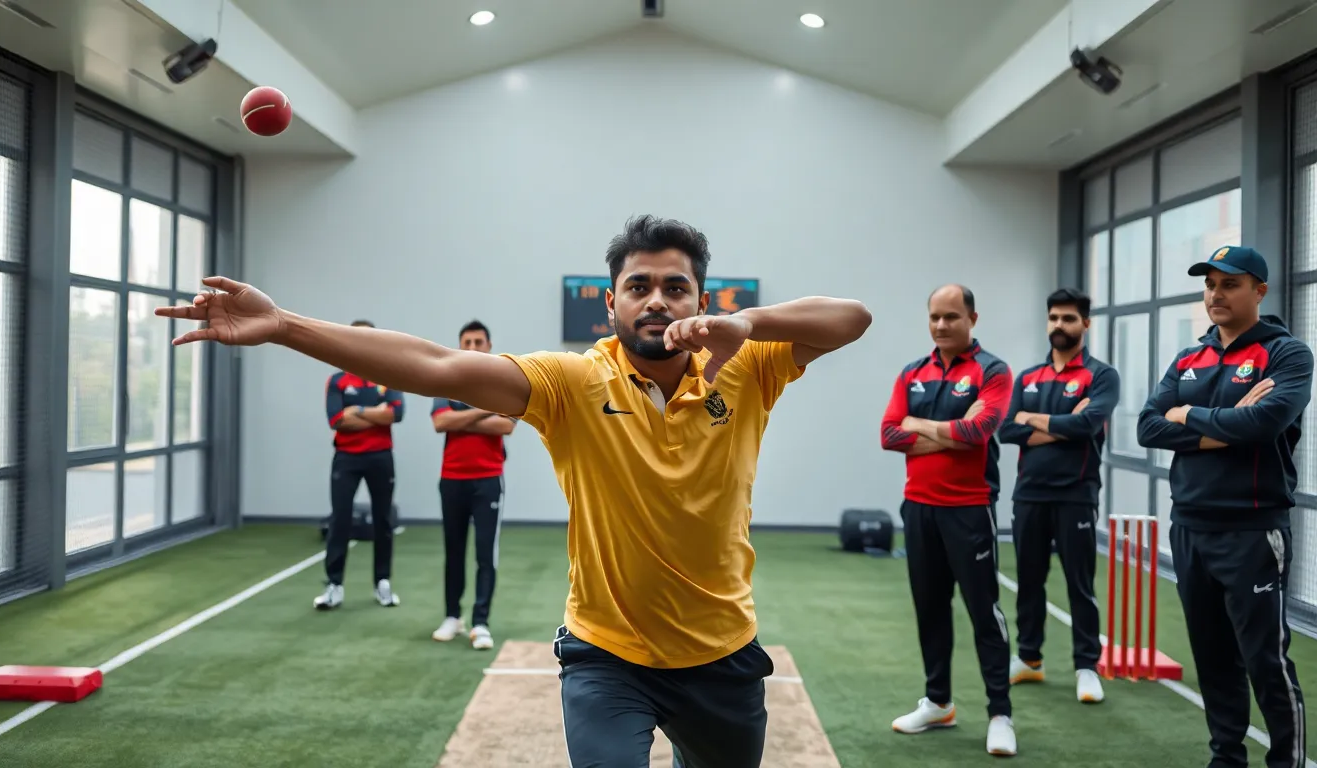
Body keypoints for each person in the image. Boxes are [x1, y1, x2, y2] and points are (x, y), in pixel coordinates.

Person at [156, 215, 872, 768]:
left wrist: (752, 322)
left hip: (721, 656)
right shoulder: (574, 382)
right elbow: (436, 366)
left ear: (701, 299)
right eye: (639, 286)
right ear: (611, 306)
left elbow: (852, 318)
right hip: (608, 655)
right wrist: (285, 326)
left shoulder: (744, 366)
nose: (657, 300)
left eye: (675, 286)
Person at [1137, 245, 1311, 768]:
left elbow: (1263, 423)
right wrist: (1219, 422)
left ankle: (1287, 760)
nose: (1216, 293)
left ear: (1259, 290)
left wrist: (1186, 413)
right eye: (1209, 283)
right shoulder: (1189, 357)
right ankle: (1226, 757)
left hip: (1252, 531)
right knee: (1213, 657)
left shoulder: (1286, 354)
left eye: (1230, 284)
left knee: (1265, 659)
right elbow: (1148, 426)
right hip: (1189, 526)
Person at [879, 284, 1017, 756]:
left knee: (984, 613)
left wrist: (920, 426)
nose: (941, 325)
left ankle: (1000, 713)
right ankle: (938, 703)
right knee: (930, 609)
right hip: (918, 507)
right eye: (935, 317)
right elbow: (888, 433)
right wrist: (949, 434)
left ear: (972, 319)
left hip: (969, 510)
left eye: (952, 317)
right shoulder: (912, 372)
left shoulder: (992, 370)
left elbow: (980, 430)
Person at [997, 287, 1120, 705]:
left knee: (1079, 584)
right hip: (1029, 493)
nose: (1059, 326)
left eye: (1068, 319)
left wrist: (1033, 420)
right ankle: (1029, 659)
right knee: (1029, 581)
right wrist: (1063, 423)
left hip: (1076, 494)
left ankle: (1087, 666)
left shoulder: (1101, 376)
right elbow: (1006, 429)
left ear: (1085, 323)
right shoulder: (1028, 376)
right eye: (1053, 318)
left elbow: (1089, 426)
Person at [430, 320, 516, 651]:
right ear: (459, 345)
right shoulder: (445, 382)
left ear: (489, 346)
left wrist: (465, 417)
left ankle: (480, 622)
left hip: (488, 481)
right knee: (453, 552)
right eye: (467, 341)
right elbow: (441, 422)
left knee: (485, 554)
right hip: (452, 479)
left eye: (479, 342)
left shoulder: (501, 383)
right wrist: (484, 412)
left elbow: (506, 426)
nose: (473, 347)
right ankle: (452, 616)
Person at [315, 318, 406, 610]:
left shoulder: (388, 376)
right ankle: (334, 585)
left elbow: (396, 414)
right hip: (347, 458)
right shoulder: (337, 380)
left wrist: (358, 411)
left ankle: (382, 582)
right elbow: (337, 420)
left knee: (383, 520)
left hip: (381, 457)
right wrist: (374, 413)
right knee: (339, 519)